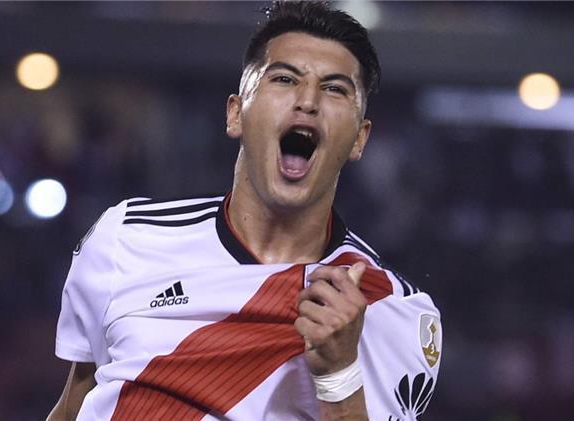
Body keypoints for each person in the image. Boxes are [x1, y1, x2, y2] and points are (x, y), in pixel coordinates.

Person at [48, 2, 442, 420]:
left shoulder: (393, 310)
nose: (308, 101)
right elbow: (74, 406)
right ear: (236, 113)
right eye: (284, 79)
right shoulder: (125, 239)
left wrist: (339, 375)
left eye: (334, 89)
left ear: (359, 139)